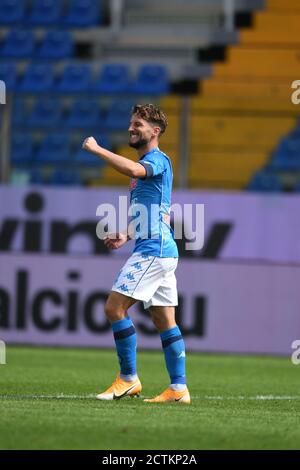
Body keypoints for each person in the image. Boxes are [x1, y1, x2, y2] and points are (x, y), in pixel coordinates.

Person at [82, 104, 190, 404]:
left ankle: (128, 379)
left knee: (114, 308)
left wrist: (98, 149)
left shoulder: (157, 161)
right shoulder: (147, 164)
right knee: (164, 319)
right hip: (161, 248)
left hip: (153, 251)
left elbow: (132, 170)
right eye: (131, 123)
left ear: (155, 131)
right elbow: (158, 213)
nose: (132, 128)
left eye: (138, 124)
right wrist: (126, 234)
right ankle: (178, 388)